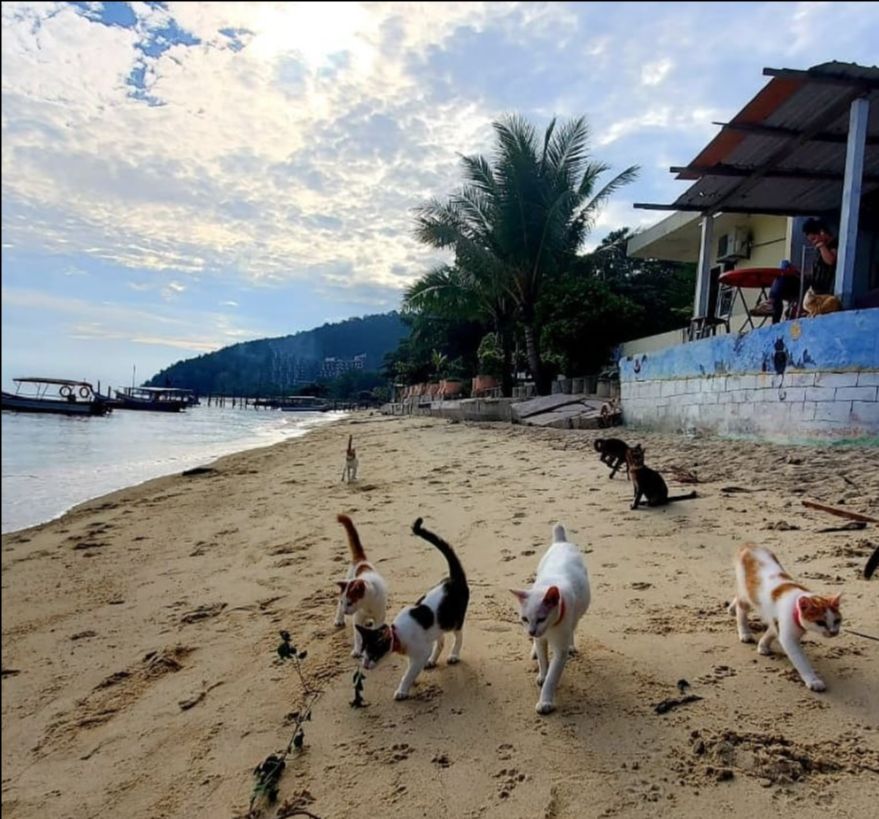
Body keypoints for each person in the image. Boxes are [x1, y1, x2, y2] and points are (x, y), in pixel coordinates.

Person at [751, 218, 838, 324]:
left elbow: (830, 261)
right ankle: (772, 307)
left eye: (814, 239)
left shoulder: (833, 244)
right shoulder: (819, 250)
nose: (814, 243)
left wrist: (822, 246)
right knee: (782, 276)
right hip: (812, 286)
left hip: (823, 293)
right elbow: (813, 274)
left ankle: (774, 305)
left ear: (822, 232)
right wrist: (796, 271)